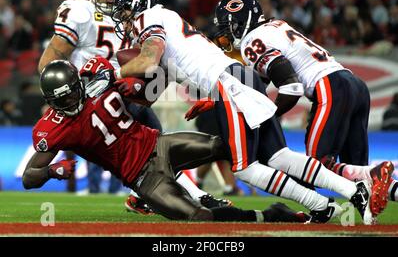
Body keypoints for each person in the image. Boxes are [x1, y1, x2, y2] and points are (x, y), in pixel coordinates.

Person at [87, 0, 388, 224]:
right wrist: (121, 85)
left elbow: (149, 58)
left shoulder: (148, 18)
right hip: (236, 80)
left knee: (244, 168)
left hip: (229, 83)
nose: (124, 19)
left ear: (138, 8)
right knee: (280, 156)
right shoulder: (168, 21)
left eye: (126, 12)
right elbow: (153, 86)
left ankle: (336, 198)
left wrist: (111, 70)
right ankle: (334, 200)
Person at [37, 0, 227, 213]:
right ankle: (195, 196)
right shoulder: (79, 12)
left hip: (121, 87)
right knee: (150, 147)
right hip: (91, 96)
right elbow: (49, 61)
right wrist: (63, 93)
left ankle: (150, 196)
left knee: (153, 143)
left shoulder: (131, 13)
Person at [22, 59, 308, 224]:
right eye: (61, 101)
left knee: (226, 145)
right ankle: (268, 214)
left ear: (77, 85)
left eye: (71, 94)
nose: (69, 103)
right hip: (143, 179)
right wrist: (50, 171)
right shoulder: (53, 128)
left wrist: (136, 85)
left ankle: (291, 168)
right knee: (200, 219)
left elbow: (152, 81)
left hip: (160, 145)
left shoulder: (98, 80)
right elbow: (28, 177)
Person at [211, 0, 395, 212]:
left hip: (331, 87)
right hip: (354, 85)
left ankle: (321, 209)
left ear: (241, 21)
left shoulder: (252, 42)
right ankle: (380, 184)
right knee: (357, 173)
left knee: (316, 167)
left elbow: (292, 88)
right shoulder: (275, 26)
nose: (225, 33)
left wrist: (265, 118)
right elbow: (257, 88)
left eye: (227, 24)